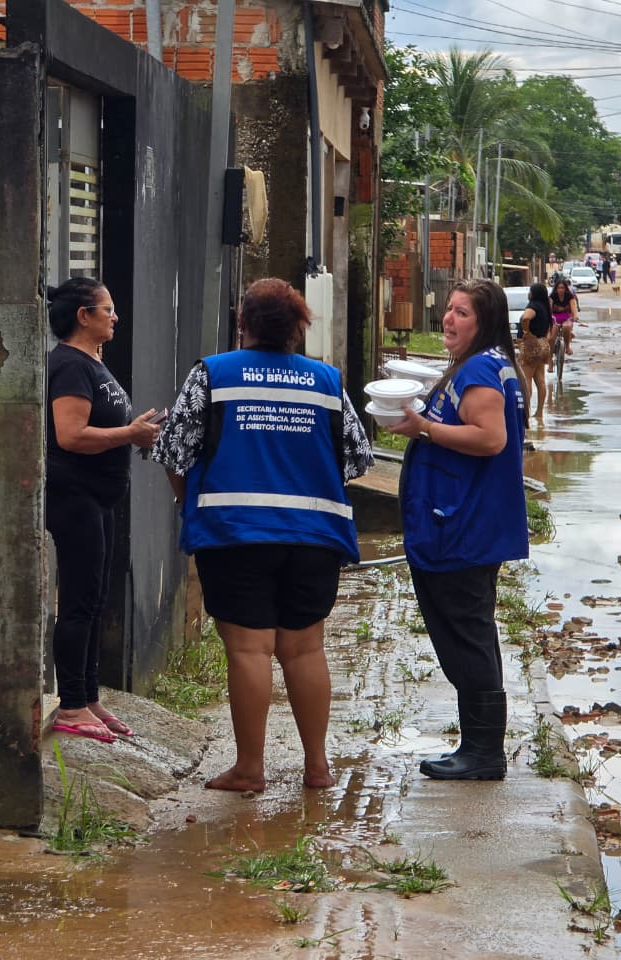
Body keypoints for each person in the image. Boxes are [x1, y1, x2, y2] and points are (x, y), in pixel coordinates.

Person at [152, 278, 372, 792]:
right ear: (299, 328)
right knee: (304, 649)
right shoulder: (327, 381)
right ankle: (317, 768)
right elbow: (357, 459)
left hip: (234, 533)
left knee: (249, 651)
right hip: (313, 535)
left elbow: (172, 450)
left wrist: (191, 501)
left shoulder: (213, 375)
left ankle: (250, 769)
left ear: (241, 322)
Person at [388, 279, 529, 780]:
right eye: (448, 309)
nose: (449, 319)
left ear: (483, 322)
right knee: (469, 632)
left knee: (466, 635)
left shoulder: (481, 373)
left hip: (464, 527)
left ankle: (484, 753)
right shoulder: (479, 366)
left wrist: (423, 428)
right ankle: (477, 745)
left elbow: (489, 439)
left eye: (461, 313)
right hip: (461, 523)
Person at [45, 278, 162, 743]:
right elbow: (70, 435)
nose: (115, 317)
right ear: (83, 316)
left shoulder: (93, 363)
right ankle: (71, 703)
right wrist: (129, 435)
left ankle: (89, 695)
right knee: (77, 602)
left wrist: (138, 432)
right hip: (73, 496)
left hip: (98, 499)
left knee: (94, 600)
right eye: (107, 309)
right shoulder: (69, 366)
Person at [516, 281, 554, 420]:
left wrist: (526, 332)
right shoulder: (545, 307)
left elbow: (526, 317)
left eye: (530, 291)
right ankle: (539, 413)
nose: (528, 293)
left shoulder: (532, 306)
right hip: (543, 344)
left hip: (532, 345)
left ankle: (525, 413)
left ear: (533, 293)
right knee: (540, 380)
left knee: (526, 379)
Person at [548, 276, 578, 368]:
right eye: (559, 288)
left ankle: (567, 346)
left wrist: (575, 316)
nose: (561, 290)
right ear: (556, 289)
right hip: (555, 318)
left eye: (563, 288)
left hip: (566, 317)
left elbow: (573, 309)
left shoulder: (570, 296)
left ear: (566, 288)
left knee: (567, 327)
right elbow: (549, 309)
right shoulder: (552, 296)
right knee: (551, 339)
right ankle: (550, 362)